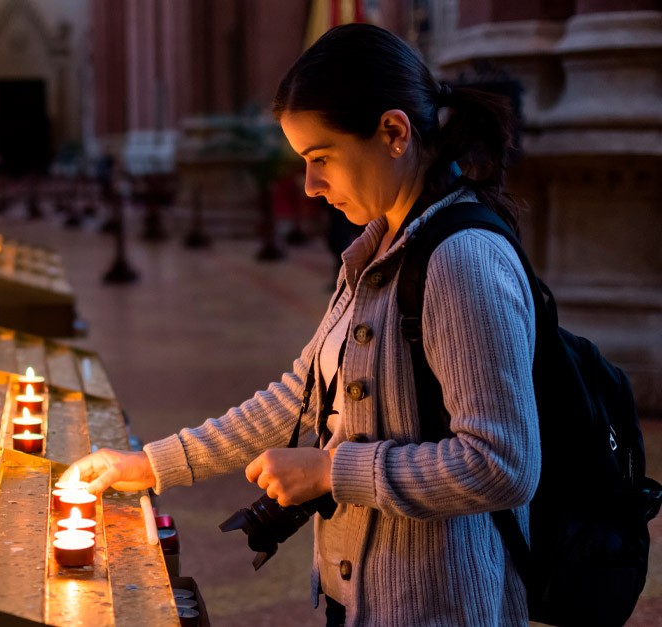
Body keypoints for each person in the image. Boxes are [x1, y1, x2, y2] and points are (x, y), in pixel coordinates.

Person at [66, 23, 539, 626]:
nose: (311, 186)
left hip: (441, 603)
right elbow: (302, 396)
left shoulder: (460, 259)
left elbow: (503, 464)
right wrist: (153, 464)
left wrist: (329, 471)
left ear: (393, 132)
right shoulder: (376, 249)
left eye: (321, 158)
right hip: (363, 593)